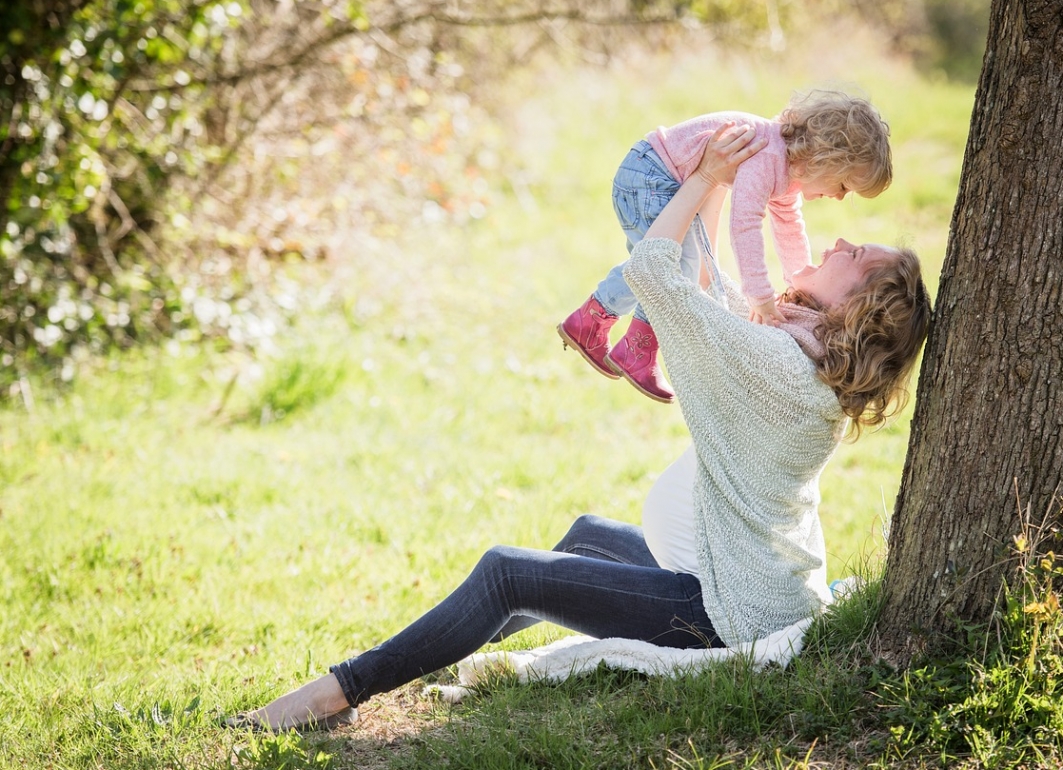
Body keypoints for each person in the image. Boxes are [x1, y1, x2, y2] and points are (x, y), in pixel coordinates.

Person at [225, 124, 931, 732]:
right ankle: (421, 657)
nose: (840, 239)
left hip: (723, 612)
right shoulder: (799, 360)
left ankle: (335, 693)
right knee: (586, 536)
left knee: (508, 572)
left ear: (858, 309)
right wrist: (718, 185)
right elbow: (712, 292)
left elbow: (655, 271)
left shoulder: (777, 366)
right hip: (739, 579)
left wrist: (708, 178)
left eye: (858, 256)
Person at [558, 89, 893, 403]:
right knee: (670, 265)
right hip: (650, 176)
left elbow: (789, 228)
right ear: (825, 158)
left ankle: (594, 323)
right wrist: (760, 295)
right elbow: (744, 224)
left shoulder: (787, 170)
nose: (838, 196)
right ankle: (633, 346)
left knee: (669, 263)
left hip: (655, 175)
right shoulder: (769, 156)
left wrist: (797, 283)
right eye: (844, 185)